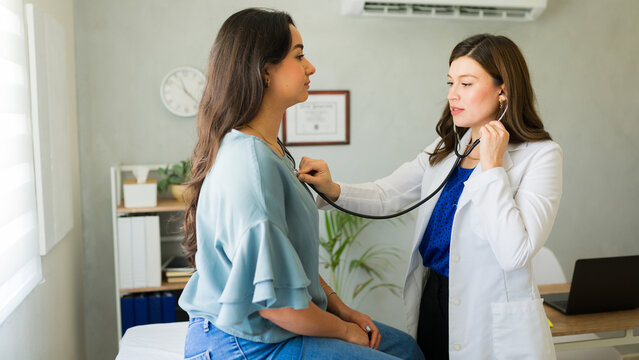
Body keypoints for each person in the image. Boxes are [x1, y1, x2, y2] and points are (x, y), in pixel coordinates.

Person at [177, 8, 424, 360]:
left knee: (407, 349)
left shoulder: (270, 149)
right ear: (264, 71)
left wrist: (339, 307)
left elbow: (285, 265)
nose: (311, 67)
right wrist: (344, 331)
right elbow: (278, 307)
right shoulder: (250, 165)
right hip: (244, 341)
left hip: (272, 324)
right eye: (299, 55)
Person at [299, 34, 562, 360]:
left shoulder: (540, 156)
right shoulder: (447, 149)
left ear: (503, 90)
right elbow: (387, 195)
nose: (453, 94)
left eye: (466, 83)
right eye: (451, 82)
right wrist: (332, 189)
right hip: (434, 299)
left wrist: (493, 168)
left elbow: (514, 252)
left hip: (490, 313)